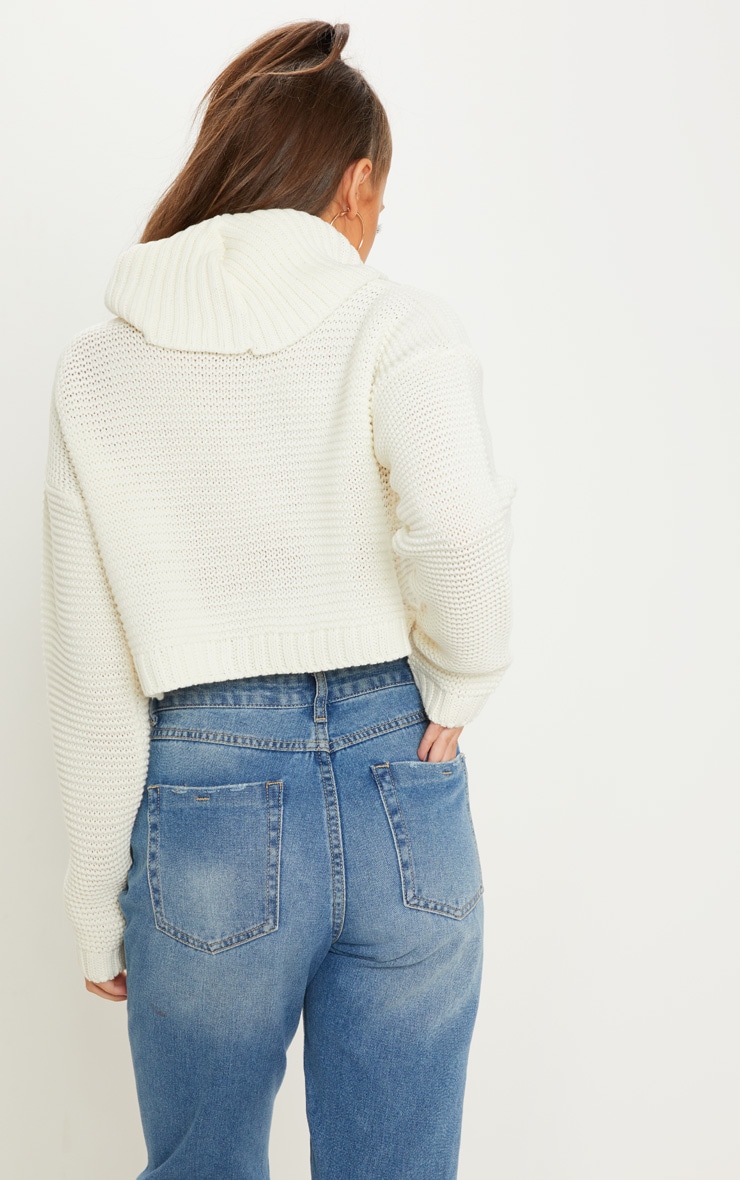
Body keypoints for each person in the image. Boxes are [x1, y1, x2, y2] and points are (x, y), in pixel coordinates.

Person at [40, 18, 517, 1180]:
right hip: (400, 772)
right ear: (353, 183)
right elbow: (457, 521)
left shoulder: (97, 369)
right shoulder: (393, 322)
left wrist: (95, 898)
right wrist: (459, 675)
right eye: (379, 199)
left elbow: (94, 675)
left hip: (203, 792)